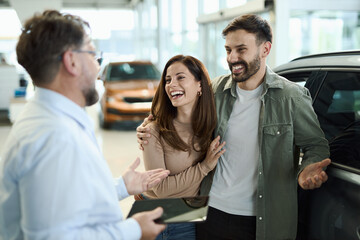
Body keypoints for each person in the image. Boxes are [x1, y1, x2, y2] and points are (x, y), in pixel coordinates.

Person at [136, 14, 331, 240]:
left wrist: (308, 167)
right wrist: (150, 126)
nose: (233, 58)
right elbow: (181, 111)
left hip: (262, 220)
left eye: (241, 50)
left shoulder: (291, 97)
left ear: (265, 49)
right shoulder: (216, 90)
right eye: (228, 50)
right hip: (209, 212)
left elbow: (316, 145)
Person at [0, 10, 170, 240]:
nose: (98, 67)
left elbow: (67, 201)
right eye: (92, 53)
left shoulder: (49, 118)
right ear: (71, 61)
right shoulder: (54, 137)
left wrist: (121, 186)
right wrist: (134, 229)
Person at [138, 55, 226, 240]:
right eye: (168, 80)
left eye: (180, 77)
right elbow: (161, 188)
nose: (171, 84)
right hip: (157, 216)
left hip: (190, 214)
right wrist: (204, 167)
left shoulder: (211, 126)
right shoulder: (154, 130)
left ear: (200, 85)